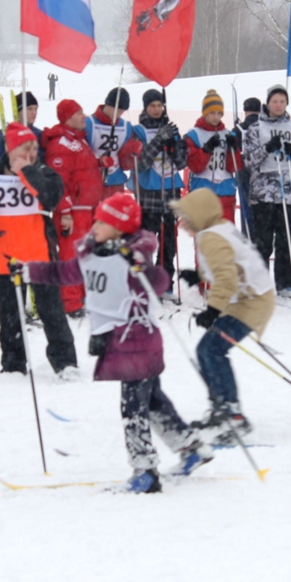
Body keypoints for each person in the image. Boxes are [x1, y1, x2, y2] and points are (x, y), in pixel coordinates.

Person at [25, 193, 213, 492]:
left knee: (133, 409)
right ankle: (191, 448)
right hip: (118, 344)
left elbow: (161, 282)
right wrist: (28, 270)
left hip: (137, 344)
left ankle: (145, 471)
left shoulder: (131, 258)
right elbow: (63, 272)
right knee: (152, 402)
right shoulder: (92, 255)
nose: (95, 225)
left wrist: (140, 265)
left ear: (119, 227)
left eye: (103, 221)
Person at [0, 122, 79, 379]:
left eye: (34, 149)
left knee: (52, 313)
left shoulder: (44, 173)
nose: (31, 154)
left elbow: (51, 197)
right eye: (25, 149)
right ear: (10, 149)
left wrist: (28, 171)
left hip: (41, 257)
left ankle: (65, 363)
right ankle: (14, 364)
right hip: (5, 258)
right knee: (10, 317)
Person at [171, 188, 275, 444]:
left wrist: (212, 311)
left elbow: (227, 277)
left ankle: (232, 414)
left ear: (199, 215)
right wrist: (201, 276)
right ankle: (222, 408)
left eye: (186, 217)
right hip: (252, 296)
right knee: (207, 350)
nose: (182, 224)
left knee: (212, 350)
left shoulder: (211, 237)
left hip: (252, 301)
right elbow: (230, 266)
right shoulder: (221, 228)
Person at [242, 84, 291, 295]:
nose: (278, 105)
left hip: (289, 193)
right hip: (263, 193)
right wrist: (266, 148)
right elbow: (247, 160)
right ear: (268, 103)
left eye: (282, 101)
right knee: (263, 240)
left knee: (285, 238)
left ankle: (285, 283)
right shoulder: (256, 128)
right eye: (275, 101)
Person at [43, 99, 100, 318]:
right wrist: (65, 211)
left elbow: (80, 171)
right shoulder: (61, 144)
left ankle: (83, 295)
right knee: (70, 255)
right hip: (73, 211)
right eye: (79, 113)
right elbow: (58, 181)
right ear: (68, 118)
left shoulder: (78, 140)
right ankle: (70, 301)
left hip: (87, 208)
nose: (84, 116)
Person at [130, 89, 185, 284]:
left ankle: (165, 280)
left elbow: (181, 163)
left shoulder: (171, 128)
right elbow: (141, 163)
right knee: (146, 240)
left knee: (168, 240)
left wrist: (174, 144)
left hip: (170, 189)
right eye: (152, 106)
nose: (156, 109)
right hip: (149, 191)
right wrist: (157, 141)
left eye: (159, 105)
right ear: (146, 107)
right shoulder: (138, 131)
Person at [185, 90, 242, 224]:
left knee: (225, 236)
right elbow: (195, 166)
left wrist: (233, 150)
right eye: (212, 113)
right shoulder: (194, 135)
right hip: (202, 190)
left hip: (225, 191)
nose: (216, 117)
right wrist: (206, 150)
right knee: (204, 235)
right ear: (204, 113)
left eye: (219, 113)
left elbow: (235, 166)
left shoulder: (228, 134)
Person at [85, 88, 141, 199]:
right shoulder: (88, 123)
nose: (118, 114)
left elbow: (125, 164)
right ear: (107, 104)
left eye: (122, 111)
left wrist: (132, 152)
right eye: (116, 109)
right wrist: (97, 162)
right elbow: (80, 155)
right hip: (91, 181)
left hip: (116, 181)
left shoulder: (126, 127)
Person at [232, 97, 261, 238]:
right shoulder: (263, 126)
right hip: (261, 170)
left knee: (246, 207)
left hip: (243, 171)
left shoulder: (238, 129)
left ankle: (247, 236)